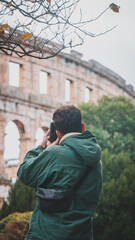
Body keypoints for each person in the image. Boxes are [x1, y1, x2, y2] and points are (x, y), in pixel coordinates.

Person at [17, 105, 102, 240]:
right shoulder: (96, 161)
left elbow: (24, 173)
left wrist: (42, 148)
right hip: (82, 235)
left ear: (56, 133)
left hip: (47, 234)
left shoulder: (53, 153)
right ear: (83, 127)